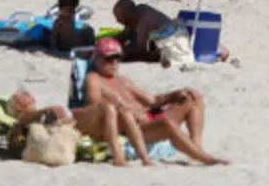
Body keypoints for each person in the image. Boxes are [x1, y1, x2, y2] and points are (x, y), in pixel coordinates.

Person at [84, 38, 228, 165]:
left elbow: (152, 100)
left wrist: (176, 94)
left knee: (193, 98)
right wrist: (124, 108)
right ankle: (202, 158)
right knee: (166, 123)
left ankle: (197, 147)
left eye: (117, 58)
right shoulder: (94, 79)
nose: (114, 63)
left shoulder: (123, 81)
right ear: (96, 58)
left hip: (150, 119)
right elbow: (97, 108)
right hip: (133, 129)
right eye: (109, 59)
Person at [8, 89, 143, 167]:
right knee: (105, 106)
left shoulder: (36, 116)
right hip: (75, 126)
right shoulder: (24, 120)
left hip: (72, 119)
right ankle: (119, 157)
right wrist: (47, 111)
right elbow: (23, 119)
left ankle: (141, 156)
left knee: (110, 108)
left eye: (28, 97)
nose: (28, 97)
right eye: (23, 99)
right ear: (18, 107)